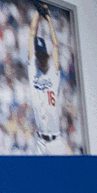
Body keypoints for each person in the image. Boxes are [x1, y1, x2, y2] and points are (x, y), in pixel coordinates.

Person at [29, 11, 64, 154]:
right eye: (38, 55)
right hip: (40, 142)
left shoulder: (53, 72)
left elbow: (56, 45)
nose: (40, 58)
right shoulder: (33, 70)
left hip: (55, 140)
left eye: (42, 55)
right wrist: (37, 13)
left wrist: (48, 19)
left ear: (47, 56)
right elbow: (32, 34)